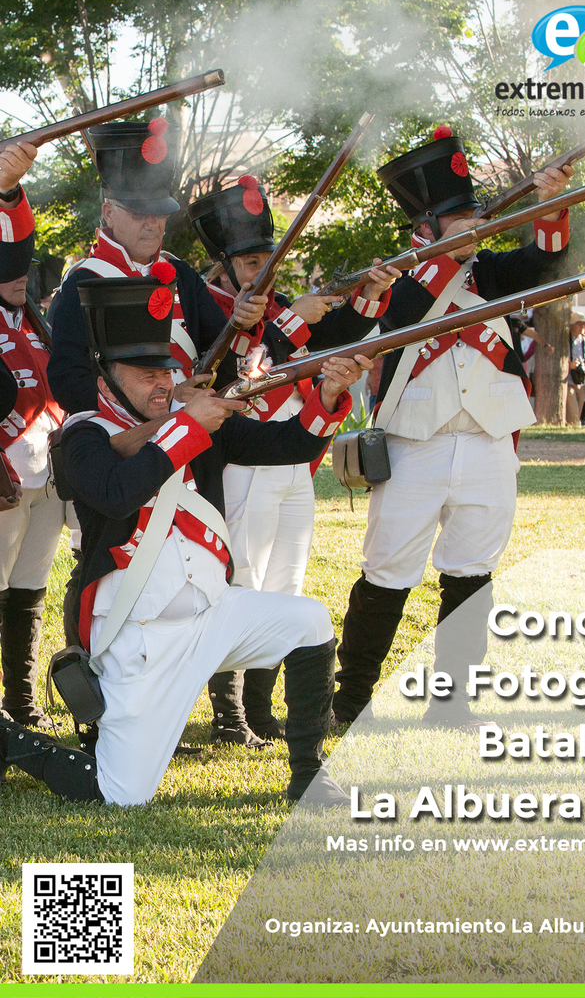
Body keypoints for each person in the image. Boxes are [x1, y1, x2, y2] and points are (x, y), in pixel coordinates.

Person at [1, 271, 372, 807]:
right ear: (105, 376)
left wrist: (329, 394)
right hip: (140, 638)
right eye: (144, 372)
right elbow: (114, 492)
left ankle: (309, 777)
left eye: (168, 370)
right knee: (119, 795)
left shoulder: (189, 421)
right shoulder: (83, 435)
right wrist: (187, 426)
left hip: (212, 613)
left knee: (310, 621)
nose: (162, 383)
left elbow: (286, 443)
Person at [332, 125, 574, 728]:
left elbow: (543, 260)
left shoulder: (490, 273)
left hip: (490, 439)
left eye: (475, 214)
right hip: (417, 442)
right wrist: (438, 260)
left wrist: (554, 200)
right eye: (461, 216)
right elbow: (358, 329)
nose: (474, 224)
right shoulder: (399, 282)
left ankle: (454, 702)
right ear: (428, 227)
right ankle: (352, 697)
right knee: (388, 572)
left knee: (472, 571)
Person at [46, 121, 267, 747]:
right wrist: (146, 425)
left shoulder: (181, 275)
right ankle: (97, 715)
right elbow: (67, 381)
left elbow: (218, 362)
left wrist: (244, 325)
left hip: (190, 458)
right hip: (120, 452)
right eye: (140, 215)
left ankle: (194, 709)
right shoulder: (82, 281)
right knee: (102, 571)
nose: (153, 225)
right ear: (110, 211)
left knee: (200, 567)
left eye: (160, 215)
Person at [187, 177, 400, 739]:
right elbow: (235, 375)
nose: (263, 270)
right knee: (243, 582)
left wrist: (372, 291)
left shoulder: (282, 307)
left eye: (269, 258)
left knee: (284, 583)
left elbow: (348, 329)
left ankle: (258, 709)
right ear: (225, 265)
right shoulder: (208, 310)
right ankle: (228, 712)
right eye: (252, 259)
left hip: (293, 462)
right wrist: (292, 321)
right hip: (240, 465)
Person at [0, 140, 65, 733]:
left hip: (47, 477)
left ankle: (21, 704)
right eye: (9, 269)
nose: (19, 278)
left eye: (27, 271)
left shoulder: (37, 325)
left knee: (30, 592)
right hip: (5, 478)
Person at [567, 315, 585, 425]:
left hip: (582, 381)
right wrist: (568, 365)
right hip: (567, 380)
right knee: (573, 410)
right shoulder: (565, 340)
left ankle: (573, 428)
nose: (582, 326)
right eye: (579, 324)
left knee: (579, 410)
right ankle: (575, 427)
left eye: (584, 324)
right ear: (571, 326)